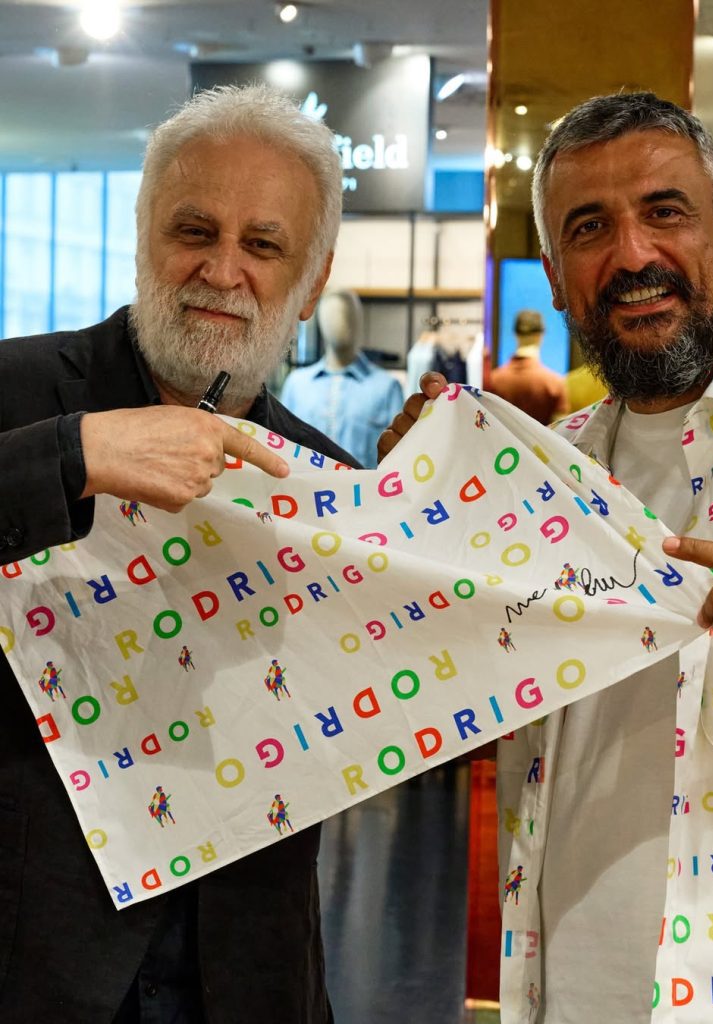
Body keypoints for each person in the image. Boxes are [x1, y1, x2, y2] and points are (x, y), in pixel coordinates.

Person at [382, 92, 713, 1022]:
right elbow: (433, 709)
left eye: (664, 211)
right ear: (553, 276)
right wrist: (405, 534)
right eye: (589, 229)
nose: (630, 255)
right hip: (570, 985)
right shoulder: (536, 477)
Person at [0, 83, 357, 1023]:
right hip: (32, 969)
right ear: (143, 235)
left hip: (243, 981)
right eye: (193, 230)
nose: (221, 269)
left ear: (314, 278)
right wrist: (73, 455)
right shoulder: (15, 391)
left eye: (263, 245)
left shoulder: (329, 487)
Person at [280, 289, 403, 467]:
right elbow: (281, 446)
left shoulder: (387, 387)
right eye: (332, 317)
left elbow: (399, 459)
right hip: (302, 484)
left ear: (359, 322)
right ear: (321, 322)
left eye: (349, 317)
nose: (341, 323)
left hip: (363, 485)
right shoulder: (296, 385)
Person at [484, 309, 569, 424]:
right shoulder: (554, 384)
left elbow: (486, 425)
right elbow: (560, 430)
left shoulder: (493, 380)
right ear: (541, 335)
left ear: (515, 334)